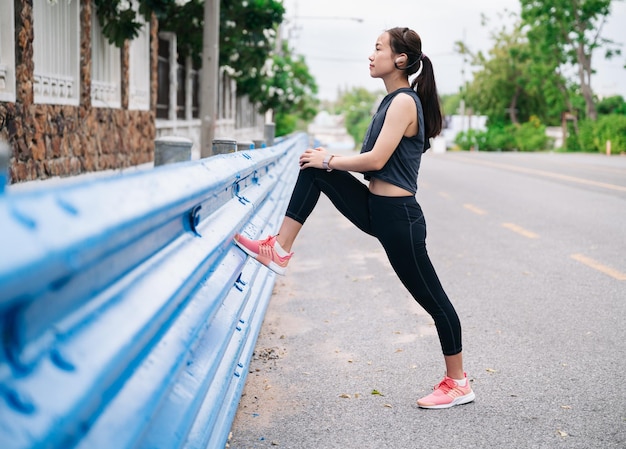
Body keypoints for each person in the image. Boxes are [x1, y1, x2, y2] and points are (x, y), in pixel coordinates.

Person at [234, 27, 475, 409]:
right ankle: (279, 248)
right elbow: (368, 164)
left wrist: (330, 158)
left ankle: (458, 381)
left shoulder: (403, 103)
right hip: (375, 210)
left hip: (399, 219)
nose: (370, 55)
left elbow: (376, 161)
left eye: (378, 48)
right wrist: (325, 160)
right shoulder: (389, 101)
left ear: (399, 59)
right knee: (314, 169)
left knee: (433, 300)